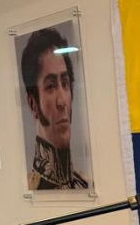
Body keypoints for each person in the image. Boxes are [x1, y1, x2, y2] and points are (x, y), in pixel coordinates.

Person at [20, 28, 89, 190]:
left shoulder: (84, 183)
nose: (62, 101)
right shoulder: (32, 187)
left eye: (65, 84)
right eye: (50, 86)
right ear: (33, 104)